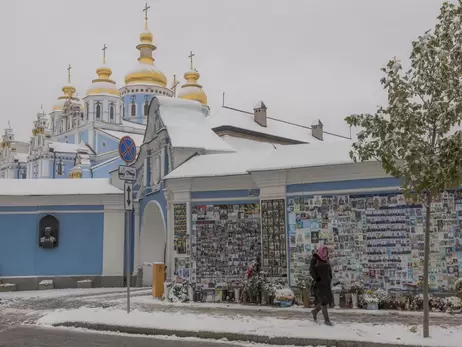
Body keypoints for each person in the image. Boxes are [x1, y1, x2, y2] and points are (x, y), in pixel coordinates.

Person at [309, 245, 333, 326]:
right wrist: (317, 278)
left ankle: (315, 311)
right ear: (320, 250)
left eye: (326, 251)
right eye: (324, 250)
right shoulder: (315, 258)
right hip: (319, 283)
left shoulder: (326, 259)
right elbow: (311, 270)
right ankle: (327, 320)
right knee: (324, 301)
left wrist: (330, 277)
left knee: (325, 300)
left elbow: (329, 269)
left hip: (326, 283)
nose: (325, 252)